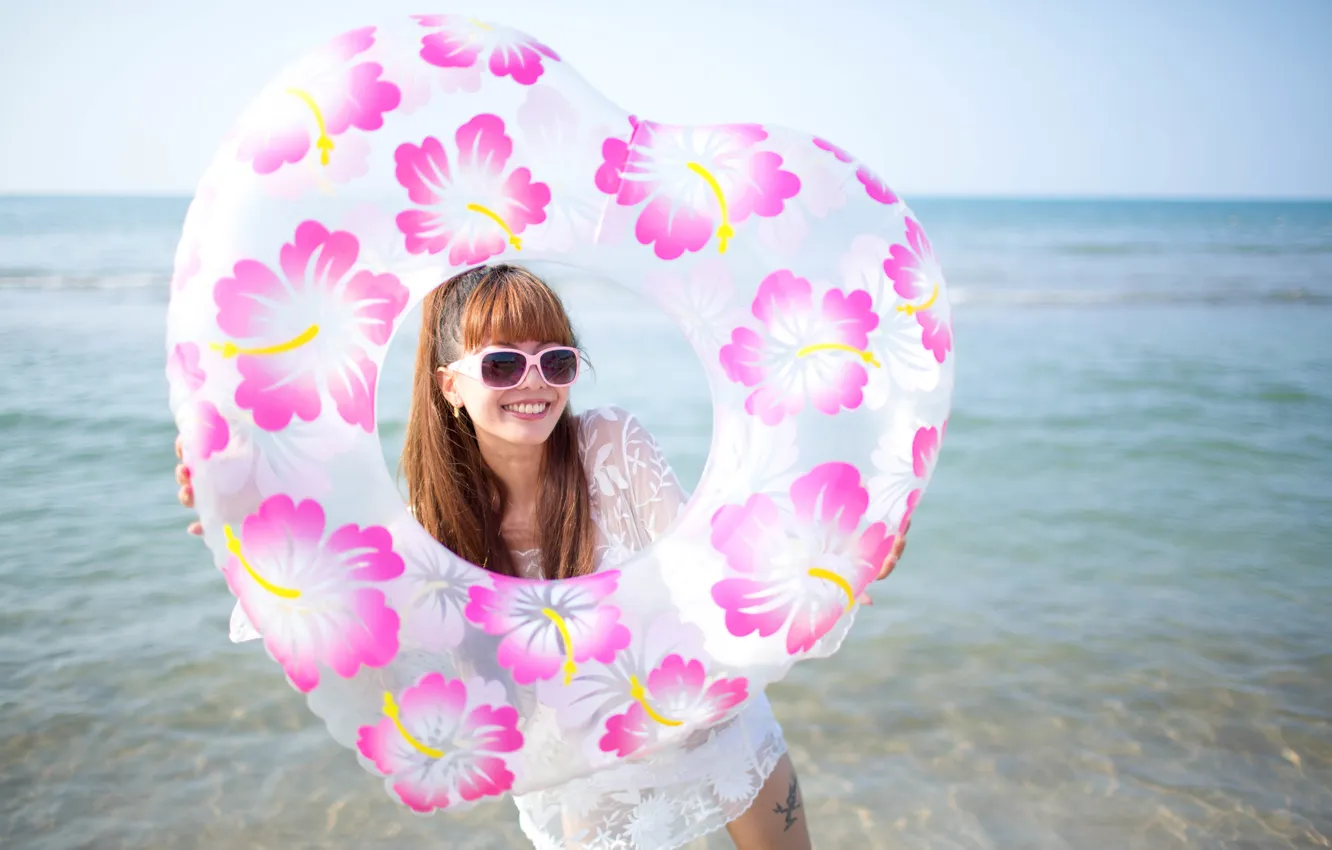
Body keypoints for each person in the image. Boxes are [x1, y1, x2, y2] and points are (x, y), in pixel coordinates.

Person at [174, 263, 908, 850]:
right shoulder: (433, 531)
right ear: (450, 386)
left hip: (710, 721)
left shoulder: (611, 444)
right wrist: (247, 526)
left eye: (555, 360)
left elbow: (707, 569)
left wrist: (816, 571)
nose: (533, 381)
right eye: (501, 364)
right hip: (583, 768)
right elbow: (371, 654)